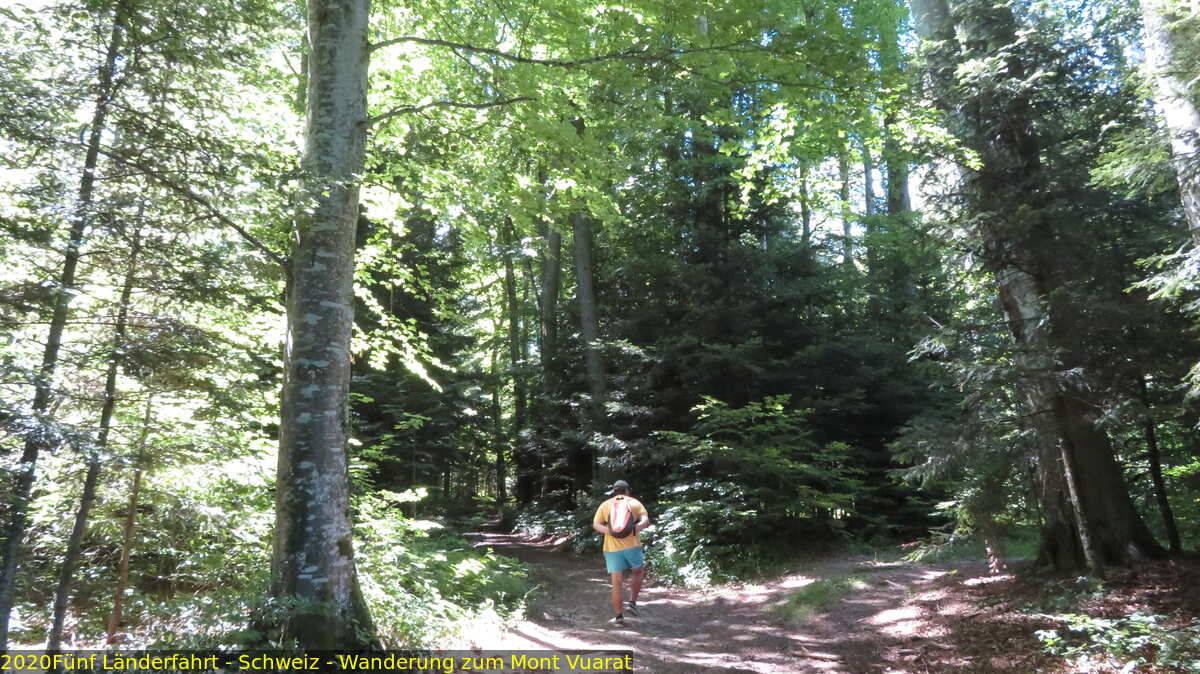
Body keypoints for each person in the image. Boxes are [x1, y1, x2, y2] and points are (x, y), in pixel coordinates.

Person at [592, 479, 650, 627]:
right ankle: (632, 603)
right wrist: (634, 529)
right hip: (632, 546)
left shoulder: (605, 504)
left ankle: (619, 617)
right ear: (627, 491)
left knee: (616, 582)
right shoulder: (634, 503)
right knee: (638, 571)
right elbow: (645, 521)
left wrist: (611, 532)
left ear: (614, 492)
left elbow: (596, 525)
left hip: (612, 548)